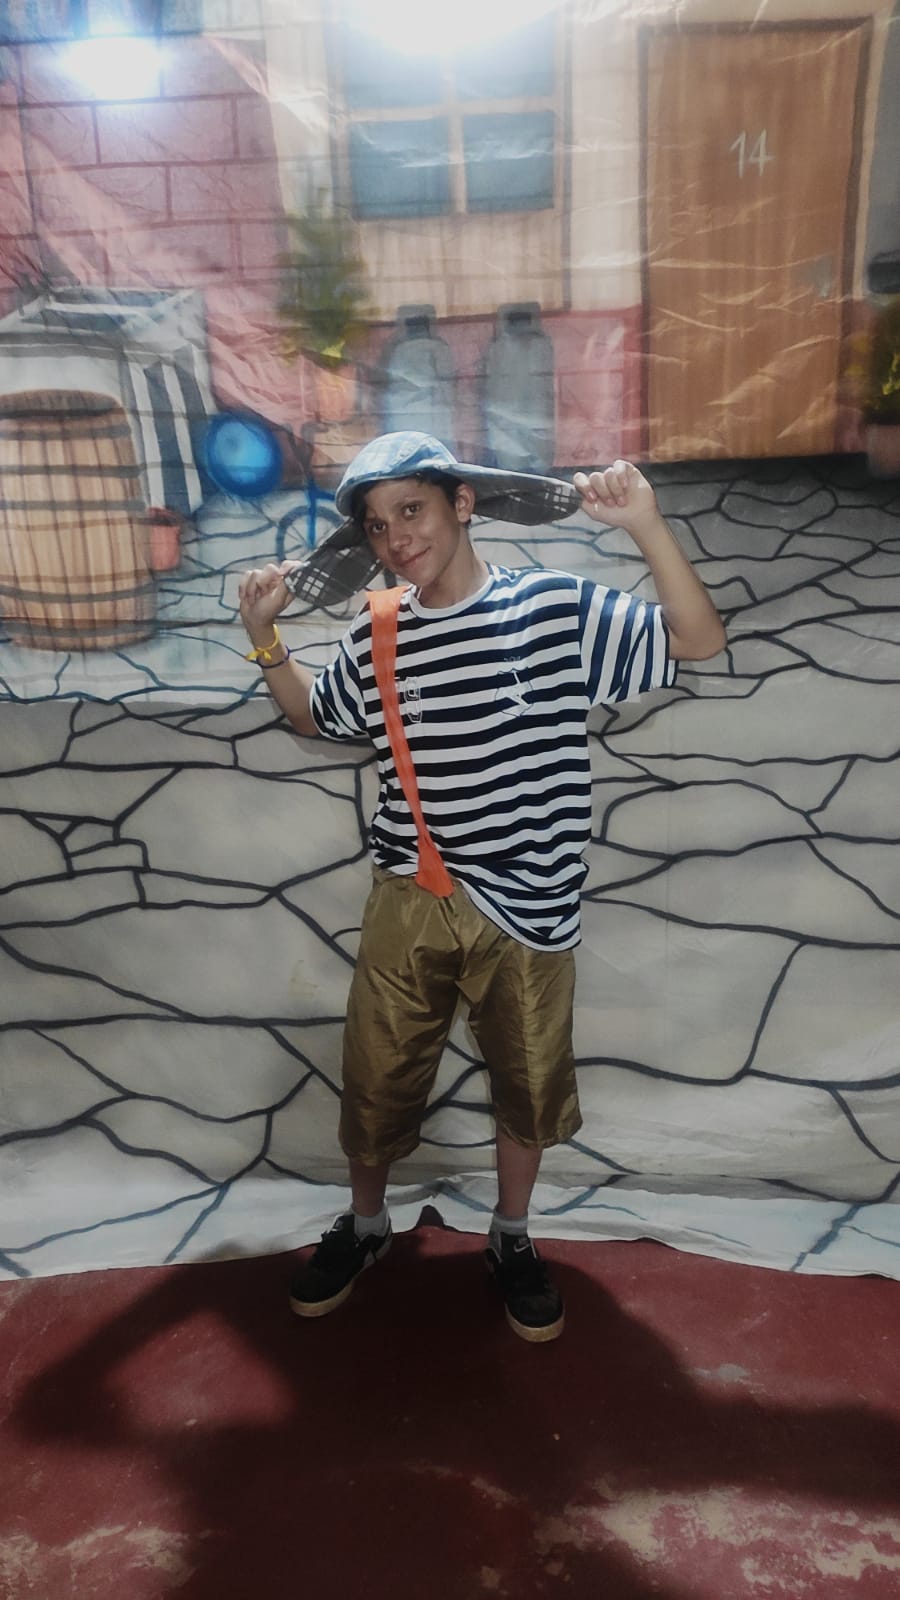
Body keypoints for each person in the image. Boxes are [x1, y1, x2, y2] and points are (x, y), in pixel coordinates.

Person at [238, 431, 725, 1341]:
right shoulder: (379, 629)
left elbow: (697, 640)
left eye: (411, 510)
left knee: (527, 1083)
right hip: (410, 896)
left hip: (531, 902)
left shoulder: (551, 607)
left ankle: (511, 1234)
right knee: (377, 1074)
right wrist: (265, 637)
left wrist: (646, 526)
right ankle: (368, 1225)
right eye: (377, 525)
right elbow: (314, 714)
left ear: (462, 504)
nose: (396, 538)